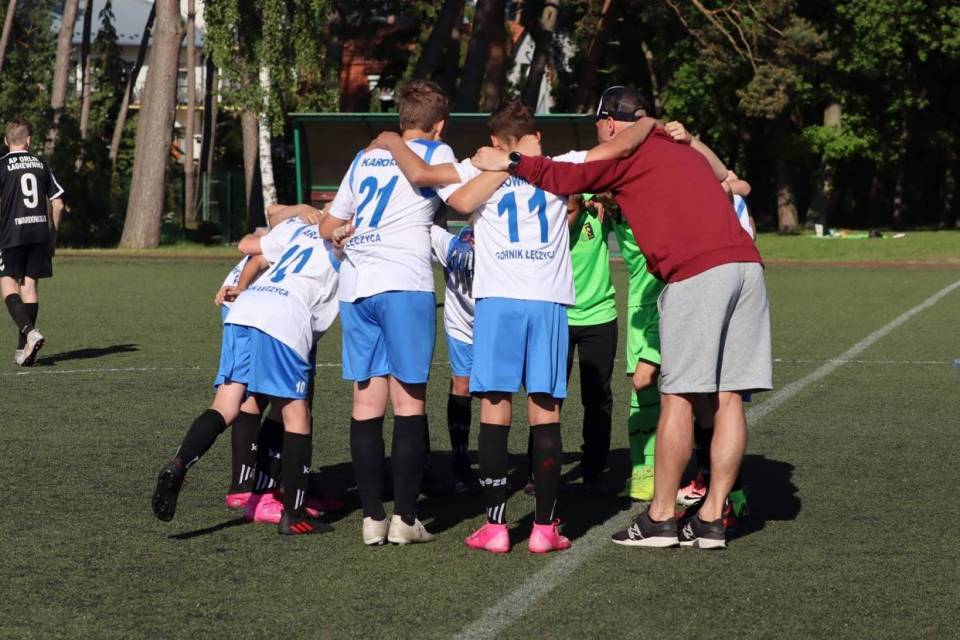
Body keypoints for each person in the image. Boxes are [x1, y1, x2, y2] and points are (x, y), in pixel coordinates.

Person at [472, 87, 772, 550]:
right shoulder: (682, 148)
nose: (598, 135)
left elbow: (563, 177)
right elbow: (725, 175)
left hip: (698, 272)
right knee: (728, 397)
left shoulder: (626, 154)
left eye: (598, 125)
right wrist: (683, 134)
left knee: (678, 398)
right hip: (748, 266)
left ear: (610, 123)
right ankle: (712, 518)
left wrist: (509, 161)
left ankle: (661, 518)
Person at [367, 100, 656, 553]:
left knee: (494, 409)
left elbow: (431, 181)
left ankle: (496, 527)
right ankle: (544, 528)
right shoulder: (561, 163)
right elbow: (620, 147)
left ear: (493, 139)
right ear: (533, 135)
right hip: (547, 301)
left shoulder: (478, 165)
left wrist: (390, 139)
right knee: (545, 411)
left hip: (498, 300)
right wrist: (649, 122)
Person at [319, 80, 457, 546]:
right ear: (439, 125)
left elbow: (327, 224)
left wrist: (342, 232)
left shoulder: (365, 157)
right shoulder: (437, 152)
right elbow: (452, 193)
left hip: (357, 284)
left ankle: (371, 518)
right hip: (403, 281)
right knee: (409, 402)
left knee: (365, 404)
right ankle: (405, 519)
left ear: (402, 118)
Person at [151, 219, 341, 536]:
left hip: (246, 306)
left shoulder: (298, 229)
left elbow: (257, 254)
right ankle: (294, 515)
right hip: (284, 315)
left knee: (226, 405)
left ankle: (180, 463)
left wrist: (242, 286)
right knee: (297, 415)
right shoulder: (348, 235)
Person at [0, 118, 64, 366]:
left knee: (8, 285)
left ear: (6, 141)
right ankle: (22, 350)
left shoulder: (2, 165)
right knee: (29, 288)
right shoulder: (41, 164)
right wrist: (53, 237)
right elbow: (58, 204)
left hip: (12, 235)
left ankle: (30, 332)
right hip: (39, 234)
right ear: (28, 140)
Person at [429, 224, 478, 492]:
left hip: (495, 322)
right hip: (461, 323)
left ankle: (495, 467)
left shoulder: (500, 243)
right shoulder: (450, 244)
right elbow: (424, 228)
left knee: (495, 392)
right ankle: (460, 460)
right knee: (462, 385)